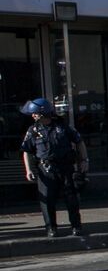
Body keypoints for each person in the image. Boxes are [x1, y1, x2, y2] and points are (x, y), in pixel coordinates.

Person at [19, 98, 88, 237]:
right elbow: (26, 151)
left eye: (35, 113)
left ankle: (76, 226)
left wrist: (84, 160)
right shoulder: (33, 130)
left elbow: (79, 142)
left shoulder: (63, 127)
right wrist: (29, 169)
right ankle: (51, 228)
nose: (33, 116)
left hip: (66, 167)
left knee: (71, 198)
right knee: (47, 200)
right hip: (46, 169)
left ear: (43, 113)